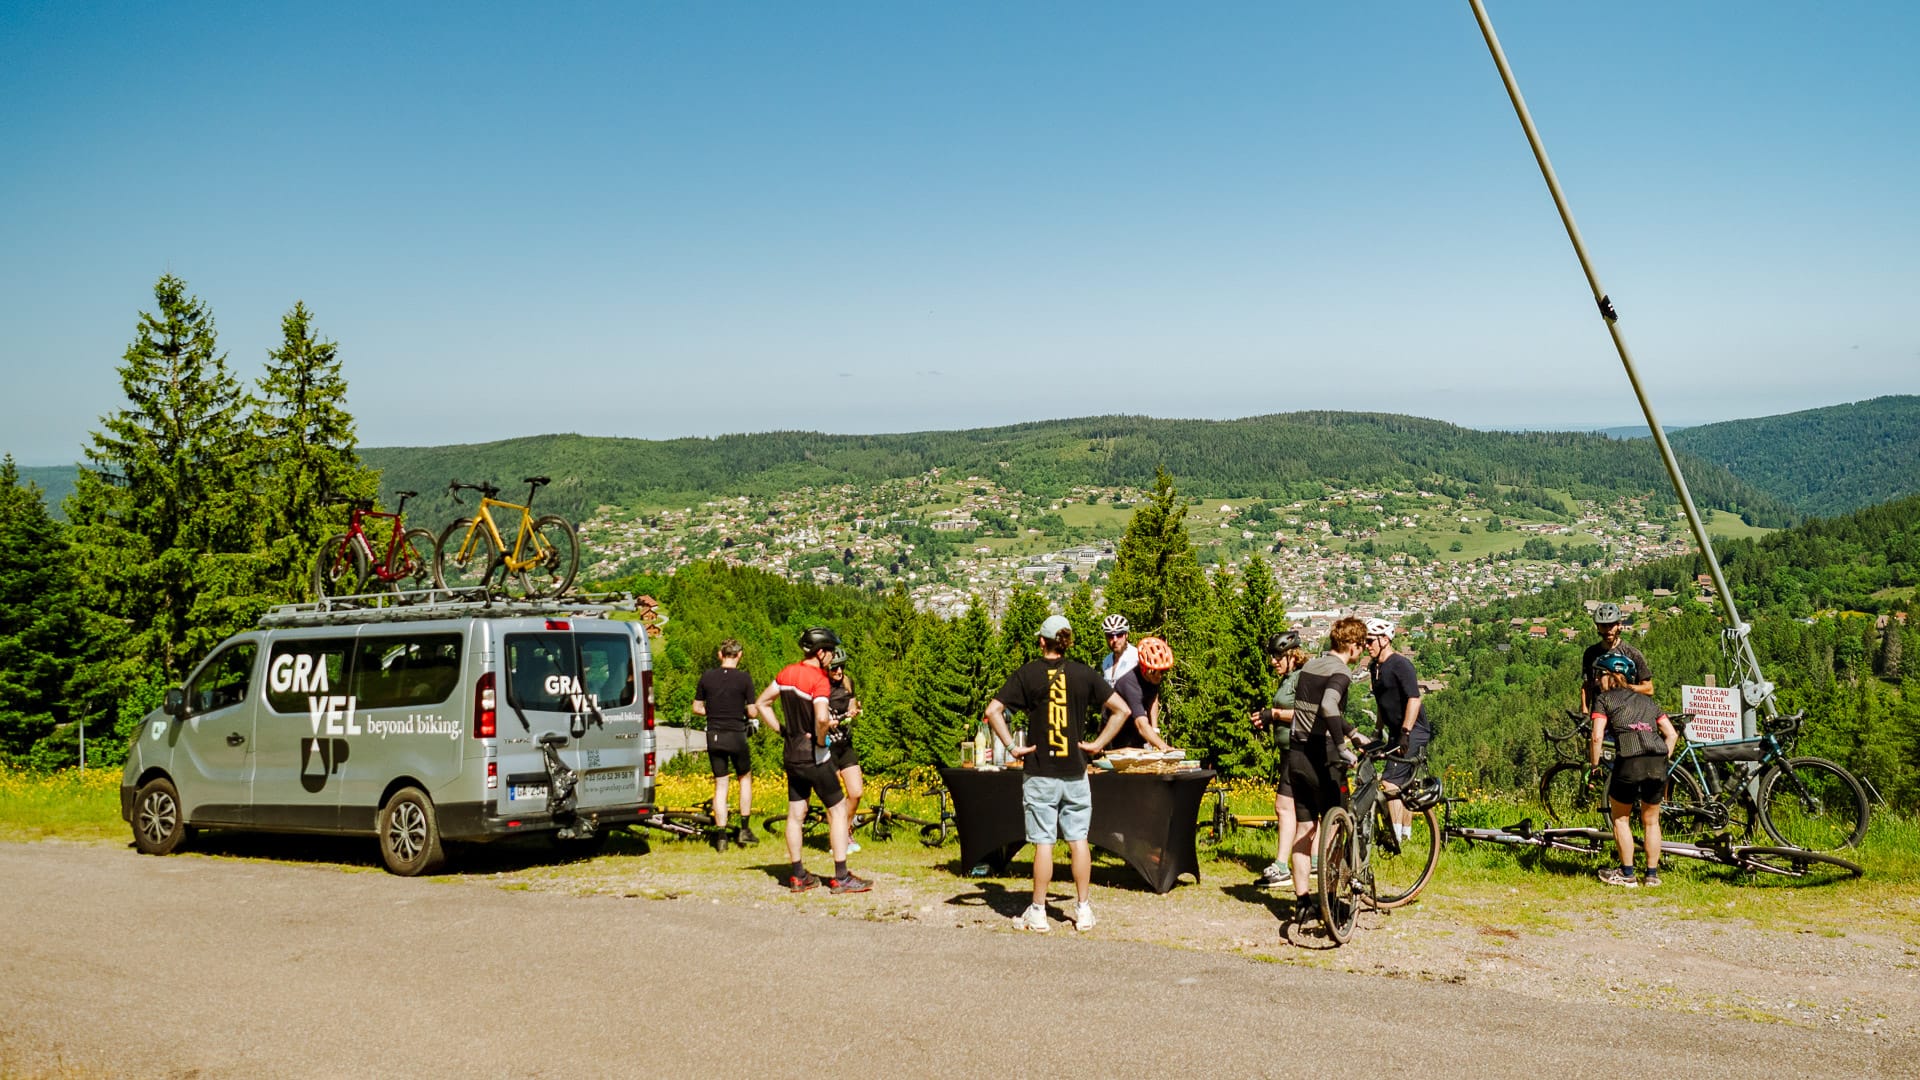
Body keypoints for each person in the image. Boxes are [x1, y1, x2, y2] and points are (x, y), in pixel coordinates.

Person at [983, 614, 1131, 933]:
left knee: (1043, 843)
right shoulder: (1084, 674)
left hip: (1040, 772)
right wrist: (1096, 745)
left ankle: (1038, 911)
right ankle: (1083, 909)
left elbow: (993, 711)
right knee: (1079, 840)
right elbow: (1123, 710)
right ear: (1068, 641)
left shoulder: (1028, 674)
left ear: (1042, 641)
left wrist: (1012, 747)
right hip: (1076, 771)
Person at [753, 627, 869, 894]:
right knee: (838, 810)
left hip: (791, 754)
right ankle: (841, 877)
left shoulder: (787, 673)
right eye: (829, 652)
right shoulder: (818, 680)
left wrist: (783, 731)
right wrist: (820, 739)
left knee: (796, 815)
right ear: (820, 652)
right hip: (814, 756)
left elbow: (762, 703)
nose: (831, 658)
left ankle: (798, 875)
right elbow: (820, 718)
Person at [1284, 616, 1375, 927]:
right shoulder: (1341, 672)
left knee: (1303, 830)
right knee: (1335, 829)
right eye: (1362, 646)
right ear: (1351, 645)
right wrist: (1341, 745)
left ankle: (1302, 903)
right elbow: (1328, 706)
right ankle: (1330, 902)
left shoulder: (1311, 666)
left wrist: (1352, 732)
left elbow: (1309, 709)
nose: (1362, 652)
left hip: (1297, 754)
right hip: (1323, 757)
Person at [1589, 653, 1678, 887]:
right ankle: (1651, 875)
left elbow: (1597, 736)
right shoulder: (1648, 701)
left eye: (1601, 675)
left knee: (1620, 818)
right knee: (1651, 821)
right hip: (1657, 760)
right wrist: (1662, 759)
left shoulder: (1604, 700)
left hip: (1629, 759)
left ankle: (1627, 874)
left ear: (1610, 677)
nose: (1598, 680)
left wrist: (1594, 766)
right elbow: (1671, 734)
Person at [1249, 630, 1307, 889]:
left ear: (1292, 655)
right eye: (1272, 656)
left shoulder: (1300, 678)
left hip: (1300, 750)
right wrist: (1267, 718)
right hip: (1288, 751)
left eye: (1277, 656)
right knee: (1289, 808)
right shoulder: (1287, 679)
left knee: (1288, 808)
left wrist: (1274, 714)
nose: (1273, 661)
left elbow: (1307, 714)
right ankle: (1293, 863)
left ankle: (1285, 865)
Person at [1364, 618, 1426, 843]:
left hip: (1413, 730)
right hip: (1394, 730)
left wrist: (1406, 733)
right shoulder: (1375, 667)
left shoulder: (1401, 665)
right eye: (1365, 641)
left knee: (1390, 782)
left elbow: (1414, 699)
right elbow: (1382, 702)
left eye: (1370, 640)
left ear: (1385, 639)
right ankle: (1406, 836)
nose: (1366, 645)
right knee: (1403, 786)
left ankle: (1395, 838)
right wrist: (1377, 731)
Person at [692, 639, 758, 847]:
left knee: (721, 783)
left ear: (720, 655)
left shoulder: (707, 677)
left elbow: (697, 708)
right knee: (744, 778)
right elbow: (753, 711)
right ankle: (744, 829)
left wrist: (713, 713)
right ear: (739, 655)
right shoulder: (744, 679)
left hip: (714, 735)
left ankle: (721, 837)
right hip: (736, 734)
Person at [824, 648, 865, 854]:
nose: (839, 671)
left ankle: (845, 830)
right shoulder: (821, 687)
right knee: (835, 798)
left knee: (856, 792)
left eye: (842, 666)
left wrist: (854, 711)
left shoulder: (848, 682)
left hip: (845, 744)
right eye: (834, 668)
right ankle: (836, 840)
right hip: (827, 747)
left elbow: (852, 704)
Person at [1581, 602, 1652, 713]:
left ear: (1619, 625)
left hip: (1627, 713)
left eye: (1611, 625)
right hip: (1599, 714)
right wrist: (1584, 712)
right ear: (1598, 627)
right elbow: (1587, 685)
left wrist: (1622, 687)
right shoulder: (1590, 653)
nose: (1608, 629)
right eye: (1604, 625)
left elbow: (1649, 689)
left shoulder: (1632, 654)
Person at [1109, 636, 1176, 752]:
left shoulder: (1152, 677)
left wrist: (1155, 729)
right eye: (1156, 672)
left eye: (1164, 671)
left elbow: (1153, 698)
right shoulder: (1130, 684)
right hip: (1116, 737)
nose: (1160, 675)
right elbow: (1141, 724)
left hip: (1135, 733)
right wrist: (1162, 746)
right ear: (1143, 668)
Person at [1100, 614, 1138, 684]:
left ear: (1126, 635)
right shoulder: (1106, 661)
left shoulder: (1137, 658)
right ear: (1106, 637)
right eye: (1110, 636)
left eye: (1119, 634)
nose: (1115, 639)